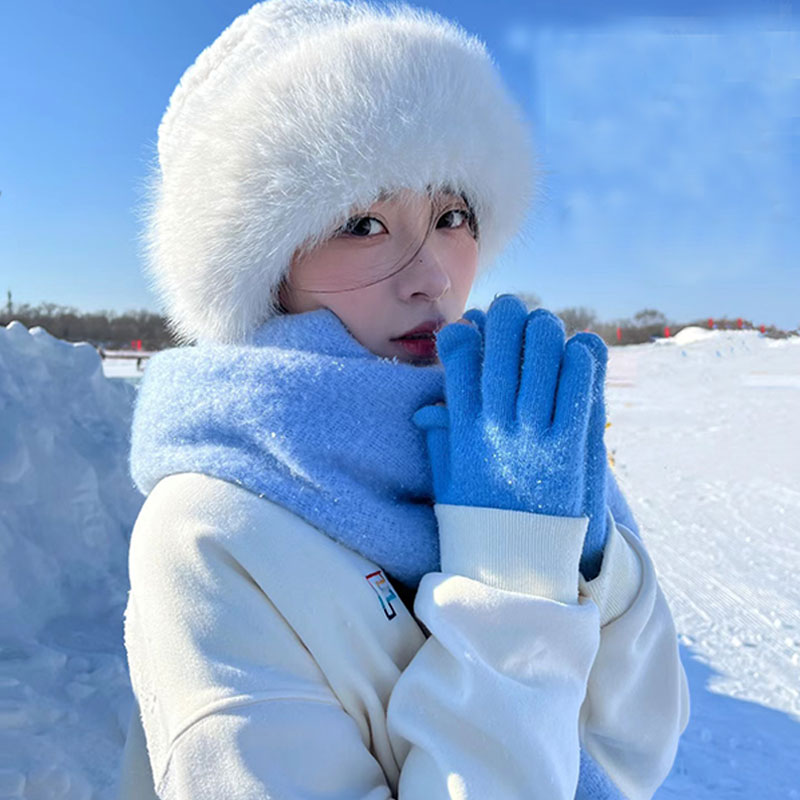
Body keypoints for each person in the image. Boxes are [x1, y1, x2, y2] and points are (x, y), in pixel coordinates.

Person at [115, 1, 690, 798]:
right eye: (363, 222)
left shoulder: (505, 441)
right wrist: (514, 582)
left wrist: (593, 561)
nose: (434, 275)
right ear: (262, 267)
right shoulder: (209, 533)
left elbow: (641, 747)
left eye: (452, 213)